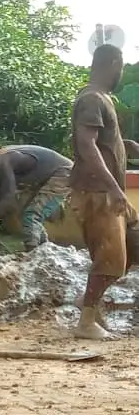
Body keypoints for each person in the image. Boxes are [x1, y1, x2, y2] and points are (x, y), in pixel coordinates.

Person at [69, 43, 139, 340]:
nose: (121, 73)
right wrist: (113, 187)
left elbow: (102, 141)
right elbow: (86, 144)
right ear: (111, 64)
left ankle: (92, 310)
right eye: (120, 67)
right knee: (111, 259)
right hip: (98, 193)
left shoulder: (101, 99)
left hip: (105, 192)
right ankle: (86, 320)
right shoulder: (92, 99)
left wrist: (125, 145)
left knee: (132, 244)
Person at [0, 134, 72, 249]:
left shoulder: (6, 159)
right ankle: (43, 249)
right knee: (30, 215)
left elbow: (8, 200)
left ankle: (33, 252)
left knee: (32, 216)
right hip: (51, 176)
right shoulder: (4, 158)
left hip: (63, 173)